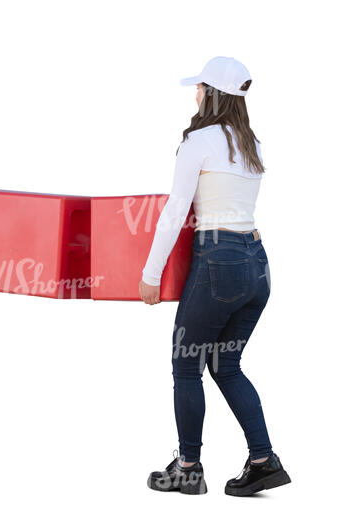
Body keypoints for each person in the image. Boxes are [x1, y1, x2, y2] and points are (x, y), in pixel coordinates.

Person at [138, 57, 291, 496]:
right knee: (227, 364)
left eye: (201, 87)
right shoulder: (252, 144)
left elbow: (174, 211)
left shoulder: (199, 141)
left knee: (186, 366)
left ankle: (188, 467)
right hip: (256, 261)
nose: (196, 94)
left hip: (219, 261)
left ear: (215, 94)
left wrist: (151, 273)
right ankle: (263, 461)